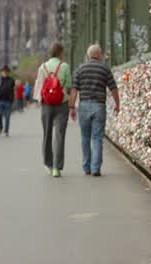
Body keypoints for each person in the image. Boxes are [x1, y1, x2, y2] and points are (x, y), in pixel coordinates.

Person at [69, 44, 120, 177]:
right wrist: (117, 104)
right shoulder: (104, 68)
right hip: (99, 105)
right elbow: (113, 88)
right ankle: (96, 168)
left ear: (88, 55)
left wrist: (72, 107)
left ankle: (87, 167)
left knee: (85, 137)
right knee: (97, 138)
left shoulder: (80, 69)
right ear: (99, 55)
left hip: (84, 105)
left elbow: (74, 89)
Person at [34, 43, 72, 177]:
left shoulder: (42, 67)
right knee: (59, 136)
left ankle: (48, 164)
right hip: (62, 105)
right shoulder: (65, 66)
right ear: (60, 53)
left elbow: (39, 86)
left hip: (46, 105)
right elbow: (68, 86)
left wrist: (40, 101)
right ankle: (57, 168)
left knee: (47, 134)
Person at [0, 65, 15, 136]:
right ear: (1, 72)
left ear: (8, 72)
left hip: (8, 101)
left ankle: (6, 131)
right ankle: (1, 126)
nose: (5, 72)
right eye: (3, 71)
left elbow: (13, 90)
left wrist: (13, 98)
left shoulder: (11, 80)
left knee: (7, 117)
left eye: (6, 71)